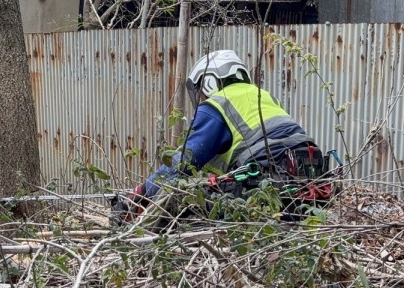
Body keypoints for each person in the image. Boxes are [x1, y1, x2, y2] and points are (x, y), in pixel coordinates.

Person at [118, 49, 329, 217]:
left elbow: (185, 162)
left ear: (209, 81)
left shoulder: (217, 104)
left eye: (200, 91)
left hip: (266, 184)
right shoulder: (264, 96)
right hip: (311, 182)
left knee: (181, 198)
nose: (201, 98)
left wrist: (144, 191)